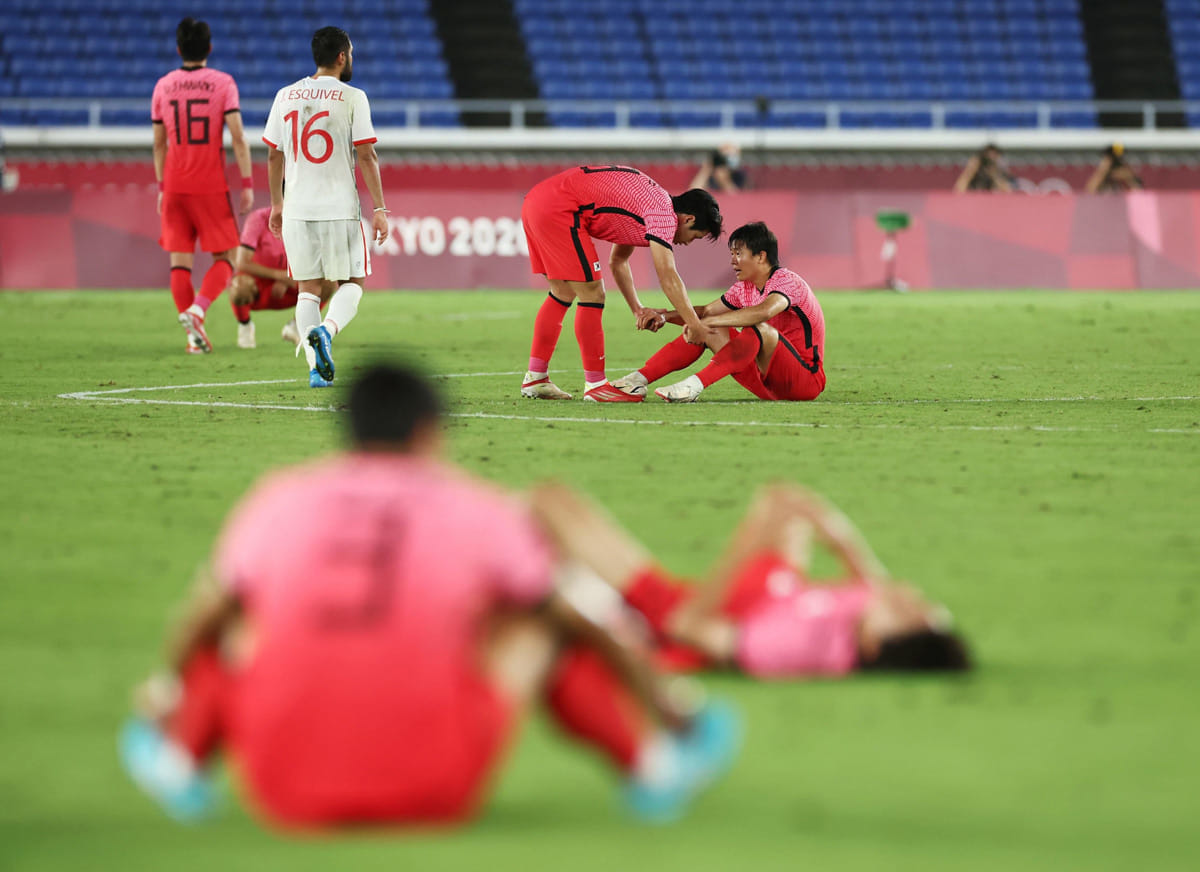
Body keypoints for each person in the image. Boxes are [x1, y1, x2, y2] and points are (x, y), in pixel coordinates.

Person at [118, 362, 741, 828]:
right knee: (542, 620)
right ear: (429, 430)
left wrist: (165, 689)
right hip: (436, 786)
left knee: (233, 617)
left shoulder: (279, 498)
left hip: (283, 792)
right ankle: (655, 762)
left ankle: (177, 752)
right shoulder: (475, 506)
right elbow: (587, 622)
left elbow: (202, 612)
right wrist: (664, 699)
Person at [531, 481, 971, 679]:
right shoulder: (863, 625)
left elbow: (689, 627)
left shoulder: (790, 645)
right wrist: (844, 544)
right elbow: (885, 591)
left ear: (876, 644)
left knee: (549, 506)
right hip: (760, 594)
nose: (910, 599)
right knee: (788, 503)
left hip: (672, 616)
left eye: (910, 614)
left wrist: (746, 542)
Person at [519, 165, 723, 403]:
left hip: (538, 201)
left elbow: (618, 262)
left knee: (562, 292)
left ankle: (536, 378)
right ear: (688, 219)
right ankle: (596, 385)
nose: (688, 243)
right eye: (695, 236)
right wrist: (694, 324)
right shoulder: (663, 215)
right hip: (560, 209)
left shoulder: (649, 204)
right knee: (593, 295)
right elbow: (667, 275)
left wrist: (637, 308)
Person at [262, 26, 390, 388]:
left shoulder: (285, 95)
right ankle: (328, 331)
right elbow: (366, 153)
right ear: (341, 57)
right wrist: (380, 208)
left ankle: (316, 371)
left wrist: (276, 203)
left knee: (307, 289)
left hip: (297, 208)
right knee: (353, 282)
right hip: (339, 208)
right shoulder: (353, 97)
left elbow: (273, 155)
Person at [613, 221, 825, 404]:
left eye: (738, 254)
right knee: (706, 323)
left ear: (761, 256)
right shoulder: (744, 287)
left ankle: (693, 386)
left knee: (756, 328)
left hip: (803, 382)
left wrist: (710, 322)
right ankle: (636, 381)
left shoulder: (787, 281)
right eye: (731, 254)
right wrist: (664, 316)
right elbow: (705, 311)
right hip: (764, 385)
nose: (732, 261)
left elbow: (763, 312)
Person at [152, 17, 254, 354]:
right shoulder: (223, 83)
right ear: (209, 48)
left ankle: (193, 338)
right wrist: (248, 183)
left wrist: (162, 186)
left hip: (175, 185)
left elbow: (159, 144)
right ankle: (198, 309)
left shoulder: (163, 85)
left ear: (179, 48)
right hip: (210, 186)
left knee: (179, 264)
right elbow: (238, 137)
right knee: (225, 258)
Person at [226, 205, 302, 349]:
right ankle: (245, 324)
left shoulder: (308, 218)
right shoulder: (258, 219)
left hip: (293, 280)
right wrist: (278, 275)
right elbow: (242, 263)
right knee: (239, 285)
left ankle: (297, 325)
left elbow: (317, 257)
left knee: (327, 282)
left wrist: (287, 278)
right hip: (258, 280)